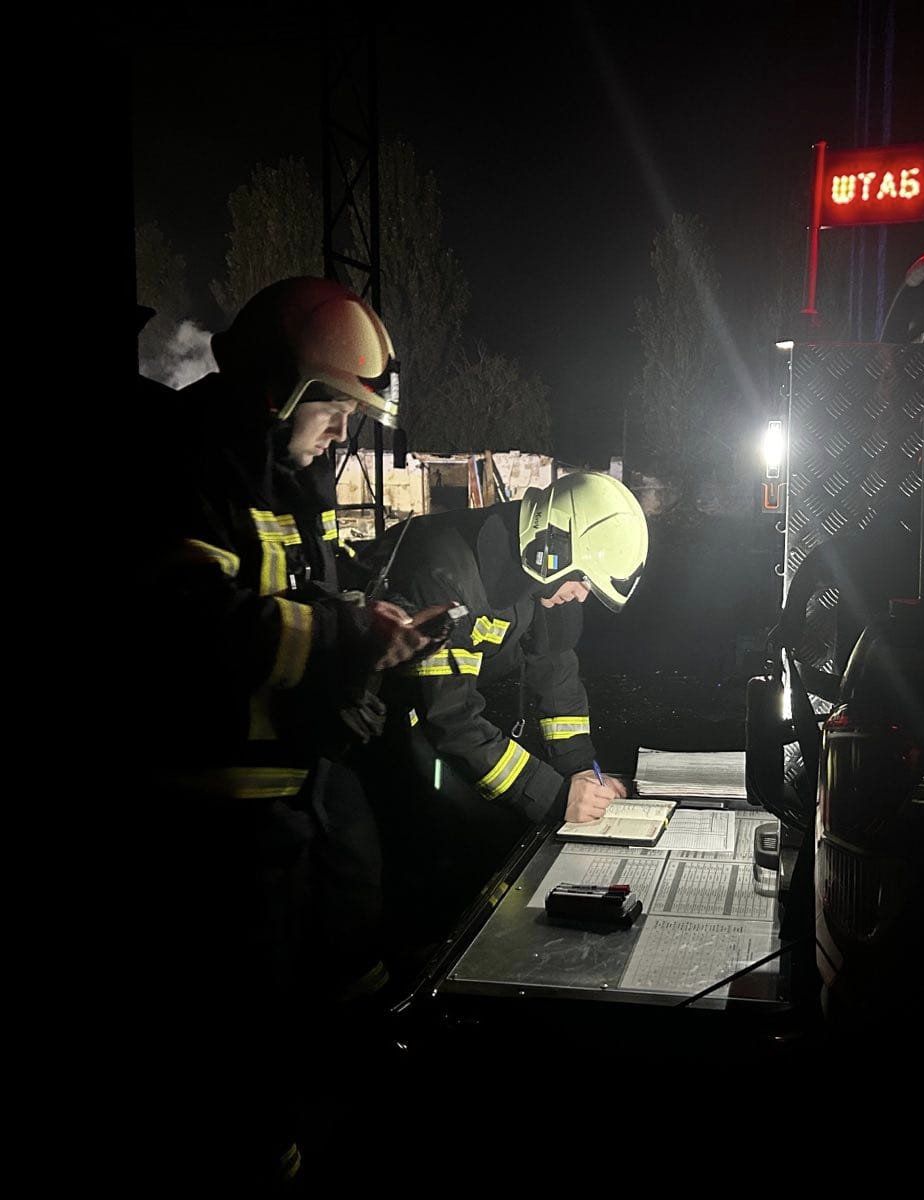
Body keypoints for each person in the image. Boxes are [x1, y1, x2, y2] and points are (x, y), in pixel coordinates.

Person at [131, 276, 426, 1186]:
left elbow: (302, 606)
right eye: (335, 410)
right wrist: (346, 636)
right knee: (236, 1038)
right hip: (210, 816)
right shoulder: (188, 463)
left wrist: (360, 651)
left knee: (315, 987)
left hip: (291, 793)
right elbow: (195, 626)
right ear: (279, 386)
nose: (341, 434)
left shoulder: (285, 475)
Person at [358, 470, 650, 950]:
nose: (581, 594)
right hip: (375, 734)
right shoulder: (444, 573)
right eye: (582, 580)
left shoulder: (545, 574)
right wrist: (556, 797)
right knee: (420, 867)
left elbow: (557, 676)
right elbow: (450, 721)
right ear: (551, 543)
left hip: (433, 726)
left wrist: (582, 772)